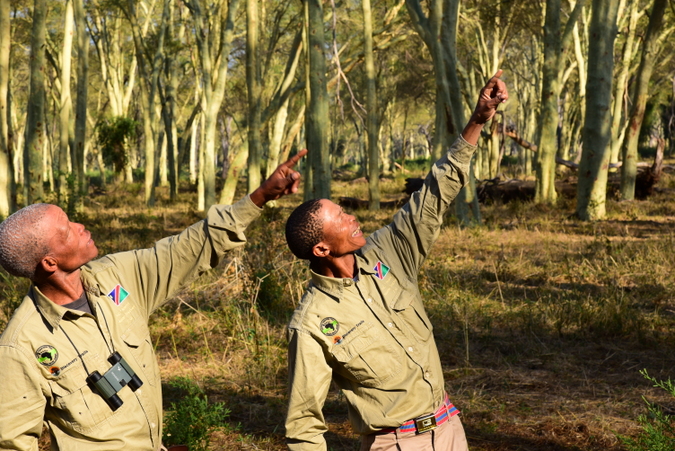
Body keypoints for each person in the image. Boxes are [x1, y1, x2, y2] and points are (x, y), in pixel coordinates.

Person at [0, 150, 307, 451]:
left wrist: (260, 197)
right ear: (50, 263)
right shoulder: (21, 346)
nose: (80, 227)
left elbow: (184, 250)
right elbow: (12, 443)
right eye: (67, 231)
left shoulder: (115, 277)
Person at [283, 71, 508, 451]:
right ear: (321, 249)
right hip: (396, 444)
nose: (352, 217)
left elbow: (434, 194)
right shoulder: (311, 325)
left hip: (450, 429)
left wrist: (478, 120)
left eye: (345, 210)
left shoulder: (388, 252)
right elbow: (303, 424)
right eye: (339, 218)